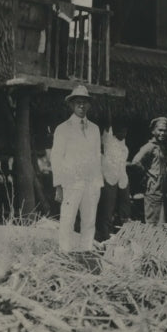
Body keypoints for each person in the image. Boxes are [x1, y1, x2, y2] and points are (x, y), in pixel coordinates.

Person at [50, 86, 103, 252]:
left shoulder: (94, 129)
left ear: (89, 105)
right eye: (78, 102)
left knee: (89, 221)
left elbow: (97, 156)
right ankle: (65, 254)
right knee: (68, 219)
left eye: (85, 103)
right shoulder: (63, 128)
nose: (82, 106)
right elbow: (56, 158)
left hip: (91, 182)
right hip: (71, 182)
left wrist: (98, 183)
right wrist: (58, 185)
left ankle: (86, 253)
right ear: (72, 105)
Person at [131, 116, 167, 224]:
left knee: (160, 220)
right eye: (160, 130)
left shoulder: (161, 146)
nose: (163, 133)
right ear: (153, 131)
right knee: (152, 220)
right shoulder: (149, 146)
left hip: (161, 188)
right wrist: (148, 174)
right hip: (153, 187)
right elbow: (135, 162)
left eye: (165, 131)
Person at [97, 119, 131, 241]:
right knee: (107, 209)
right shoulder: (108, 140)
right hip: (109, 179)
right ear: (114, 131)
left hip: (122, 180)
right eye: (120, 131)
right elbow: (108, 122)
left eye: (125, 131)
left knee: (125, 208)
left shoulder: (124, 145)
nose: (123, 133)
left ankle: (124, 234)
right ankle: (106, 236)